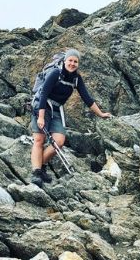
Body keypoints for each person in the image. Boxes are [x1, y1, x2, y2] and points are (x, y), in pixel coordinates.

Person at [30, 49, 111, 186]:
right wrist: (41, 117)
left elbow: (87, 98)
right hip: (41, 106)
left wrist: (101, 114)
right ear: (65, 60)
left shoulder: (76, 79)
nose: (72, 64)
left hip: (56, 110)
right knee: (39, 139)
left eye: (75, 61)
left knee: (59, 142)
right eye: (70, 60)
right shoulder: (56, 73)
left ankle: (41, 165)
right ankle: (37, 172)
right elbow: (44, 94)